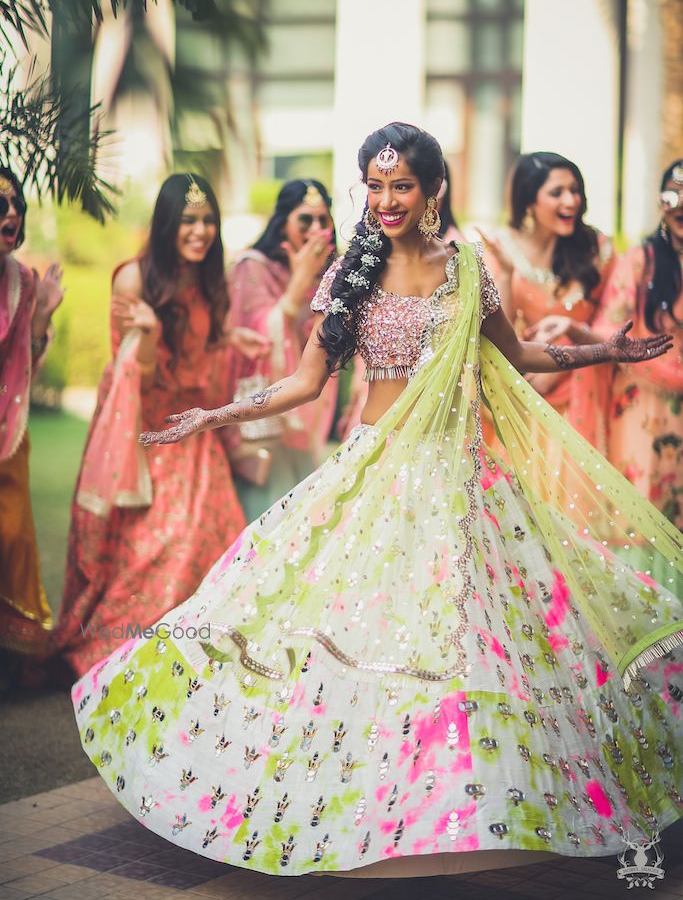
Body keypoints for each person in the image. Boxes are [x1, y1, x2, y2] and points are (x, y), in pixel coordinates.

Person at [72, 126, 682, 878]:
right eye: (374, 184)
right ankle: (359, 805)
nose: (385, 199)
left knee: (477, 637)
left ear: (432, 191)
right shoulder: (350, 271)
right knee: (353, 628)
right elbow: (303, 383)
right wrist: (216, 415)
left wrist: (604, 351)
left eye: (400, 186)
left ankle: (476, 807)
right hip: (376, 472)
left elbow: (517, 355)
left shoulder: (465, 267)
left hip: (460, 482)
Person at [53, 174, 267, 676]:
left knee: (214, 543)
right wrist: (147, 334)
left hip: (196, 435)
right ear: (167, 223)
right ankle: (133, 650)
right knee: (154, 550)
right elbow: (135, 377)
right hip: (146, 435)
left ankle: (192, 652)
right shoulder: (134, 279)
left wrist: (231, 338)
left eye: (209, 220)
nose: (201, 231)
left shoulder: (209, 281)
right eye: (189, 220)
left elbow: (200, 350)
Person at [481, 152, 614, 452]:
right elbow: (497, 333)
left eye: (575, 190)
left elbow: (612, 327)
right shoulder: (502, 247)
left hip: (584, 393)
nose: (571, 201)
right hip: (526, 390)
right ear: (529, 200)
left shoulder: (598, 249)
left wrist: (564, 361)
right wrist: (507, 275)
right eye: (557, 193)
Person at [226, 179, 338, 521]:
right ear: (283, 222)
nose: (316, 230)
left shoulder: (330, 273)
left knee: (305, 518)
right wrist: (298, 283)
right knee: (268, 520)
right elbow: (256, 338)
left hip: (306, 409)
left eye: (323, 220)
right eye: (305, 220)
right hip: (265, 416)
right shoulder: (253, 267)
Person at [593, 160, 683, 530]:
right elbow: (608, 328)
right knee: (642, 504)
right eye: (672, 195)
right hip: (642, 399)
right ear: (662, 205)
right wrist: (661, 370)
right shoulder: (640, 261)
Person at [0, 167, 64, 662]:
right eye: (2, 204)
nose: (13, 212)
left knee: (12, 538)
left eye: (16, 202)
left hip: (7, 428)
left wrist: (42, 316)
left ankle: (14, 655)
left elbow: (24, 359)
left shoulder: (20, 280)